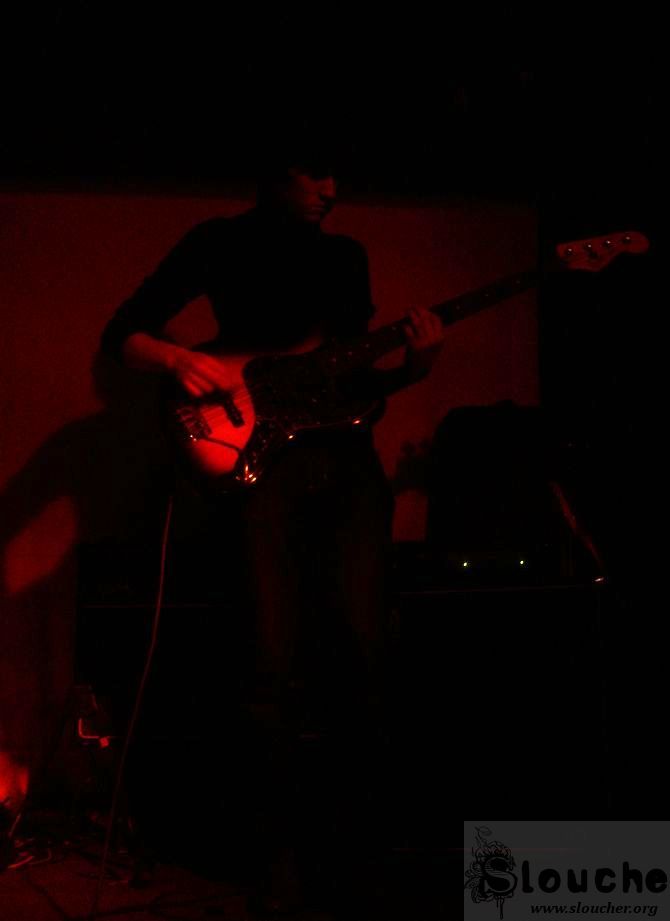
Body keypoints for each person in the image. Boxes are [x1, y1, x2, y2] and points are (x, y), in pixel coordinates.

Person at [100, 133, 443, 917]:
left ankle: (355, 848)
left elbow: (346, 376)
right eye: (315, 171)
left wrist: (413, 367)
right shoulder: (216, 242)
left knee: (365, 651)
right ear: (275, 170)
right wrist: (177, 361)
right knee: (268, 656)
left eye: (337, 174)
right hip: (263, 470)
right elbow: (124, 330)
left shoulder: (345, 256)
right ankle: (274, 856)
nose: (332, 188)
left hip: (347, 465)